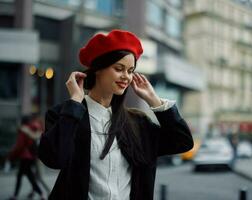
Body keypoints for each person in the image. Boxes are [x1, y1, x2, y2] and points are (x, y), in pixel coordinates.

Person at [38, 29, 194, 200]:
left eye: (130, 70)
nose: (126, 77)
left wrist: (154, 100)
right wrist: (75, 101)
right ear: (98, 69)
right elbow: (54, 159)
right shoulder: (65, 115)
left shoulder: (137, 122)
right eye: (119, 68)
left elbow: (182, 142)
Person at [7, 115, 46, 200]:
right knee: (25, 176)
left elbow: (19, 146)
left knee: (28, 176)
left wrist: (11, 156)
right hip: (32, 156)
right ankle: (39, 193)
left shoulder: (24, 130)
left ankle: (40, 193)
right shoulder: (33, 129)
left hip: (25, 157)